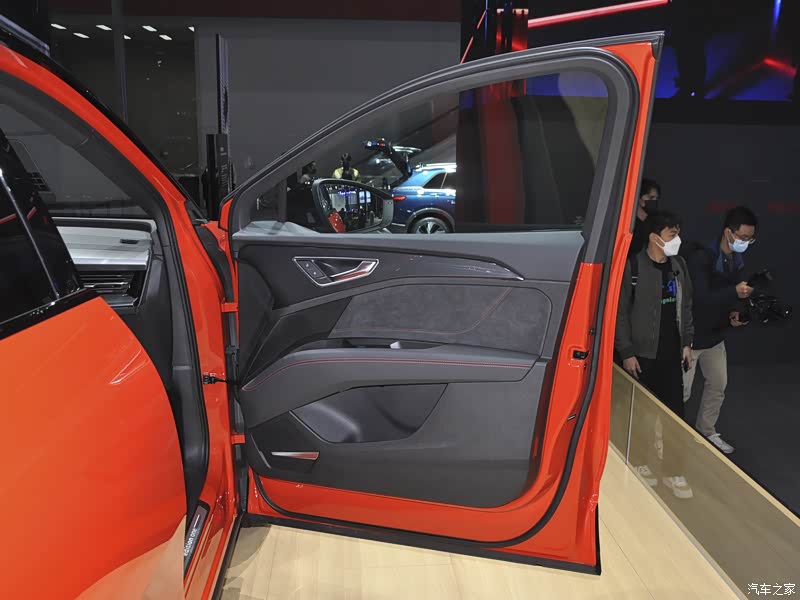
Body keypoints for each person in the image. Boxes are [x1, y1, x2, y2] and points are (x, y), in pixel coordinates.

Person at [616, 211, 694, 498]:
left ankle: (674, 472)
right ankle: (640, 463)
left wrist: (687, 342)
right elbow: (619, 314)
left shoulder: (679, 265)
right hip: (642, 356)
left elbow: (686, 305)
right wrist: (627, 351)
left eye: (677, 233)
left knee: (675, 417)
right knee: (641, 415)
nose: (677, 239)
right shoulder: (633, 267)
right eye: (672, 234)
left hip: (671, 355)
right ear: (654, 237)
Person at [682, 206, 757, 454]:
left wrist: (734, 312)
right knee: (682, 392)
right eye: (743, 237)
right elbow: (701, 297)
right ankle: (670, 437)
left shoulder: (736, 260)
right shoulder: (702, 258)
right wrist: (733, 292)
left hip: (715, 336)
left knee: (717, 385)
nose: (745, 243)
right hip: (692, 338)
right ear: (728, 232)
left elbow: (728, 297)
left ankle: (707, 431)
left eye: (750, 239)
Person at [628, 178, 661, 258]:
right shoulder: (628, 222)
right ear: (639, 198)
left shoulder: (655, 222)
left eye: (656, 198)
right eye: (650, 198)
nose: (654, 201)